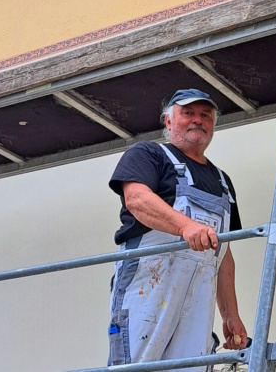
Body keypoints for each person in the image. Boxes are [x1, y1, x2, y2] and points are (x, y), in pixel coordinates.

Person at [107, 88, 247, 368]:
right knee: (137, 366)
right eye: (188, 113)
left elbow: (223, 253)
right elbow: (136, 199)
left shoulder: (223, 181)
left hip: (197, 300)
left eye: (205, 115)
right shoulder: (149, 154)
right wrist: (185, 227)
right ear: (169, 121)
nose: (198, 120)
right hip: (148, 290)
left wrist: (230, 314)